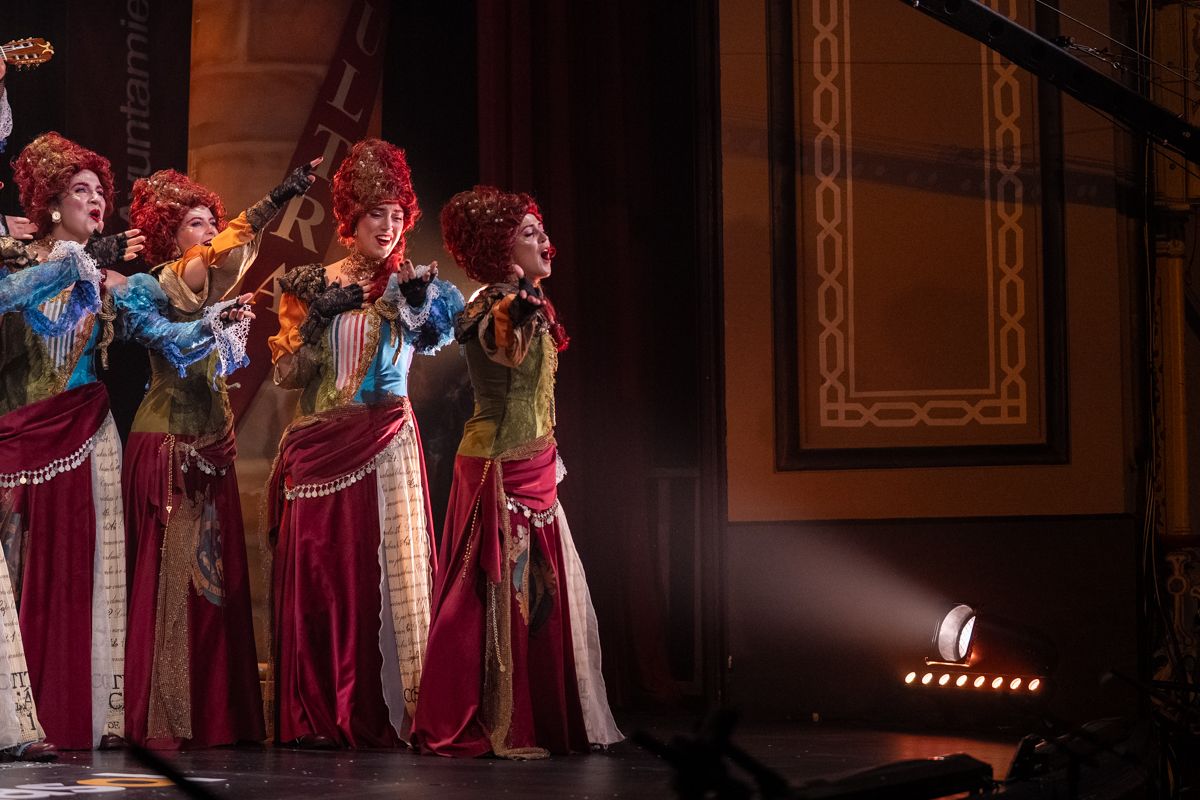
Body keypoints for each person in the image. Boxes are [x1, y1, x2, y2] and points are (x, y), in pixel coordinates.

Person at [0, 132, 245, 750]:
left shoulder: (117, 281)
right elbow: (10, 299)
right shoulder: (19, 262)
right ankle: (18, 719)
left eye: (100, 193)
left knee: (93, 573)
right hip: (27, 432)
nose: (95, 201)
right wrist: (73, 261)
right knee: (26, 571)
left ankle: (95, 715)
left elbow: (170, 331)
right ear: (51, 204)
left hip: (92, 431)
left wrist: (214, 328)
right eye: (81, 191)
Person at [267, 138, 463, 748]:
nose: (389, 224)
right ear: (350, 218)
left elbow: (437, 335)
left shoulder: (418, 285)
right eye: (376, 212)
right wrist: (319, 316)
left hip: (383, 442)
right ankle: (315, 714)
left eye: (398, 213)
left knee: (381, 579)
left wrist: (411, 304)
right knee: (323, 583)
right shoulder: (306, 282)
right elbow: (287, 375)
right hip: (318, 447)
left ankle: (388, 707)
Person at [412, 186, 621, 758]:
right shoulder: (489, 305)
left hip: (535, 467)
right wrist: (517, 310)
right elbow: (500, 344)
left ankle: (542, 717)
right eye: (530, 235)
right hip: (496, 469)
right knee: (495, 597)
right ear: (501, 251)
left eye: (541, 231)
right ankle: (485, 717)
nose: (546, 243)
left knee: (540, 599)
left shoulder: (529, 300)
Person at [120, 161, 316, 749]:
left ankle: (217, 717)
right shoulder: (149, 287)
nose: (210, 233)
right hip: (168, 443)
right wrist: (210, 323)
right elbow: (175, 344)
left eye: (212, 223)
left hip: (213, 444)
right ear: (169, 235)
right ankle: (170, 719)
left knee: (215, 581)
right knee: (175, 582)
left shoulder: (214, 289)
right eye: (195, 224)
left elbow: (235, 248)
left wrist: (275, 200)